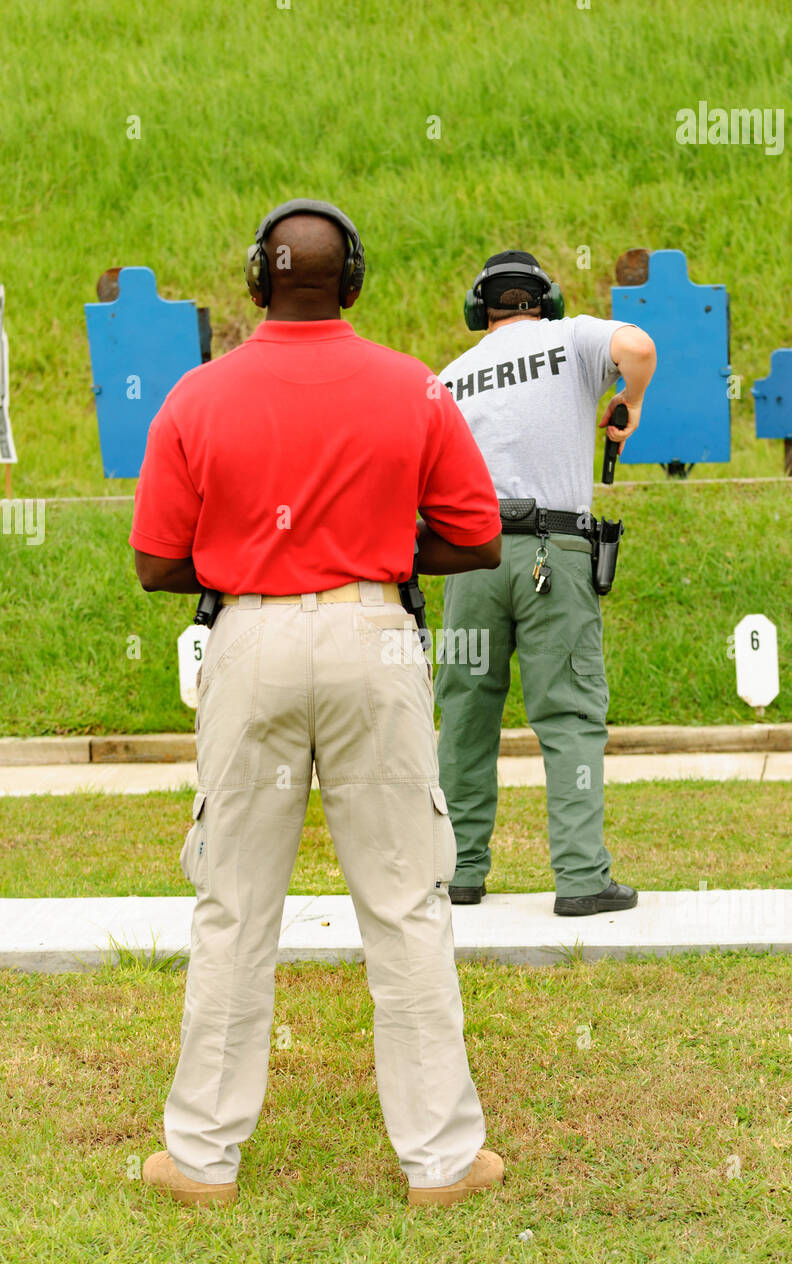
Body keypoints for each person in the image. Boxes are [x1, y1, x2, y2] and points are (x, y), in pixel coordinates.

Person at [128, 199, 506, 1208]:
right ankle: (443, 1159)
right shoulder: (414, 387)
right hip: (372, 636)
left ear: (257, 279)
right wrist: (374, 549)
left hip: (248, 641)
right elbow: (477, 540)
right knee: (405, 902)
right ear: (354, 279)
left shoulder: (195, 396)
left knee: (233, 905)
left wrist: (258, 557)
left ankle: (202, 1157)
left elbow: (156, 562)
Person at [436, 250, 656, 915]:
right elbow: (638, 346)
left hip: (467, 561)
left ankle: (459, 872)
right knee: (569, 714)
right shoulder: (572, 338)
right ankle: (582, 879)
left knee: (465, 716)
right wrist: (629, 400)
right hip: (553, 553)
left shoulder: (449, 378)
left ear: (481, 308)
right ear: (545, 299)